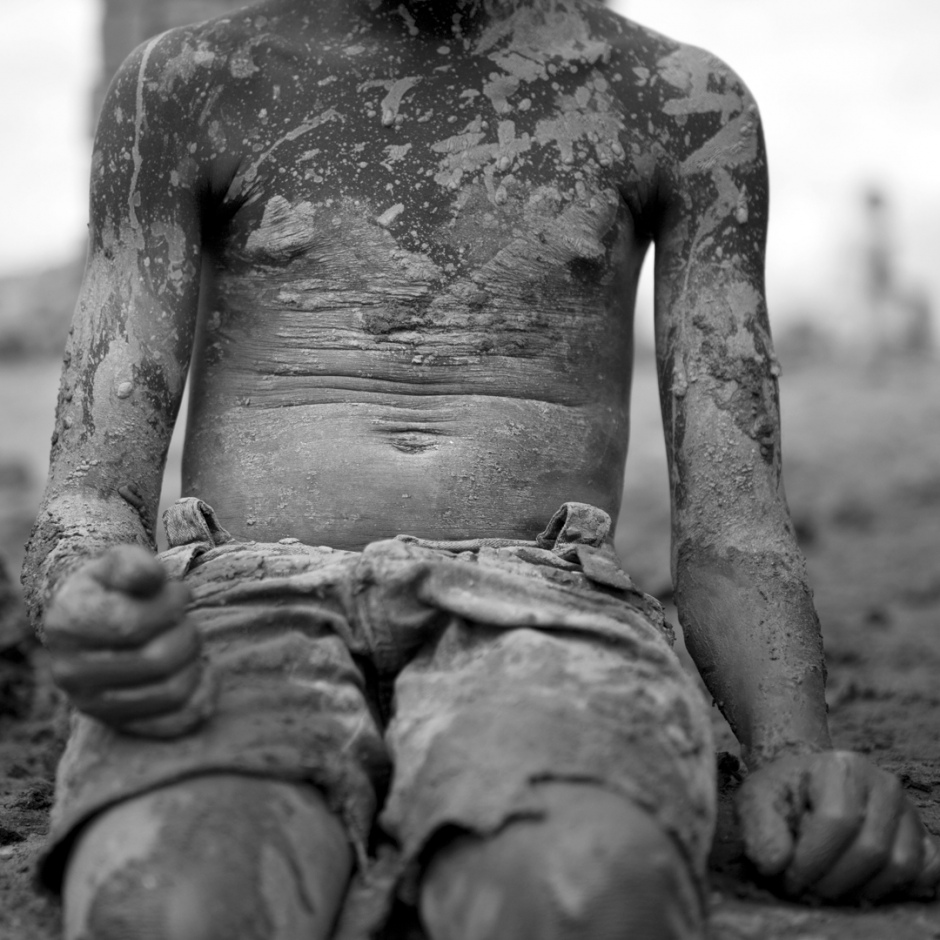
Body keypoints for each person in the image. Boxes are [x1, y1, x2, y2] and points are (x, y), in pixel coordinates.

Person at [22, 1, 940, 937]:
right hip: (237, 596)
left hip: (540, 604)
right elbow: (94, 491)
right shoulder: (189, 83)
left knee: (580, 898)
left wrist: (792, 748)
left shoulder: (677, 104)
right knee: (176, 906)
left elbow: (733, 515)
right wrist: (91, 597)